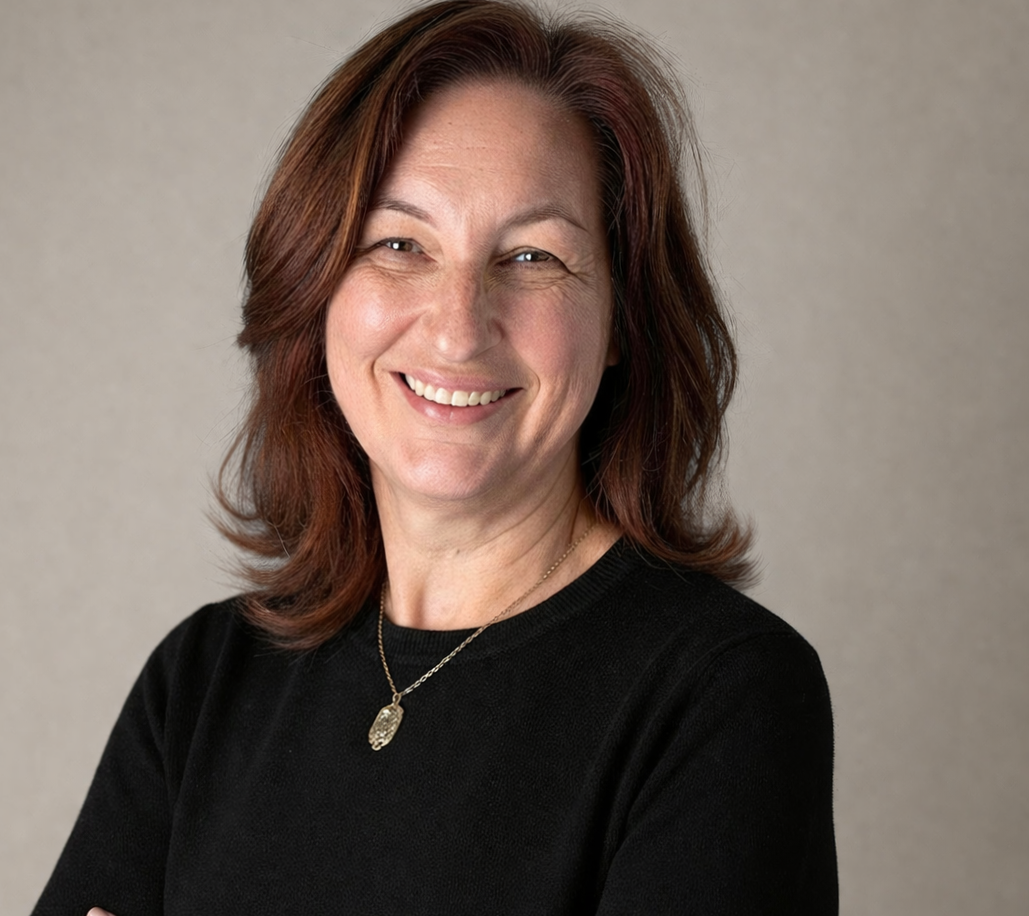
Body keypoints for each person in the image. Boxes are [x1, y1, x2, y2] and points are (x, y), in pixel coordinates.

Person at [33, 1, 837, 913]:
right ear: (316, 289)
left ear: (622, 320)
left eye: (534, 257)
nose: (459, 328)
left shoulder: (720, 696)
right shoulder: (203, 681)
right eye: (399, 244)